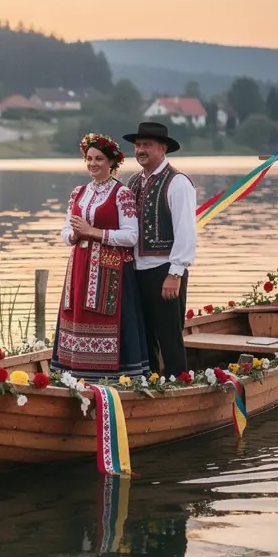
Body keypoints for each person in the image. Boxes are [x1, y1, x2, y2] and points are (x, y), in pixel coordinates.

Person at [51, 132, 149, 382]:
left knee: (107, 317)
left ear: (111, 162)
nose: (93, 163)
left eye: (99, 159)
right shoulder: (78, 192)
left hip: (111, 270)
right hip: (79, 267)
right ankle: (73, 374)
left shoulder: (121, 193)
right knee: (76, 316)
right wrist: (73, 236)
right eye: (89, 158)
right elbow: (65, 231)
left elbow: (131, 237)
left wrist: (93, 232)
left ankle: (115, 377)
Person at [122, 122, 197, 379]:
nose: (141, 150)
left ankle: (178, 387)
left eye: (147, 145)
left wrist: (175, 273)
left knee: (169, 336)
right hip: (136, 271)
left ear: (163, 149)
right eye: (138, 145)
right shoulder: (132, 181)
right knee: (143, 336)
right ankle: (150, 385)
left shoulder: (177, 183)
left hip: (165, 270)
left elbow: (186, 232)